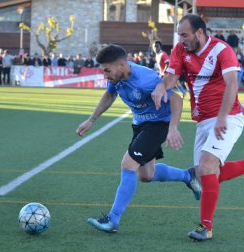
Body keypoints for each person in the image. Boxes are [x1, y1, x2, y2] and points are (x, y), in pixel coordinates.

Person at [151, 14, 244, 242]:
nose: (181, 39)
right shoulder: (180, 49)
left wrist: (222, 117)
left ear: (199, 32)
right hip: (204, 119)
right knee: (206, 174)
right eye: (180, 35)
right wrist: (161, 87)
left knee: (206, 167)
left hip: (229, 117)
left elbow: (232, 85)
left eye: (184, 34)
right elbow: (172, 76)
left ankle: (205, 227)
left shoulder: (222, 50)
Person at [76, 44, 201, 233]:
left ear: (122, 65)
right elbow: (110, 94)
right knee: (146, 175)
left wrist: (173, 128)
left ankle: (112, 220)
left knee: (128, 164)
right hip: (141, 125)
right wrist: (91, 119)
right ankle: (187, 175)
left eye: (107, 70)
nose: (105, 75)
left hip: (158, 124)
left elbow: (176, 98)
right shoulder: (116, 77)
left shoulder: (146, 80)